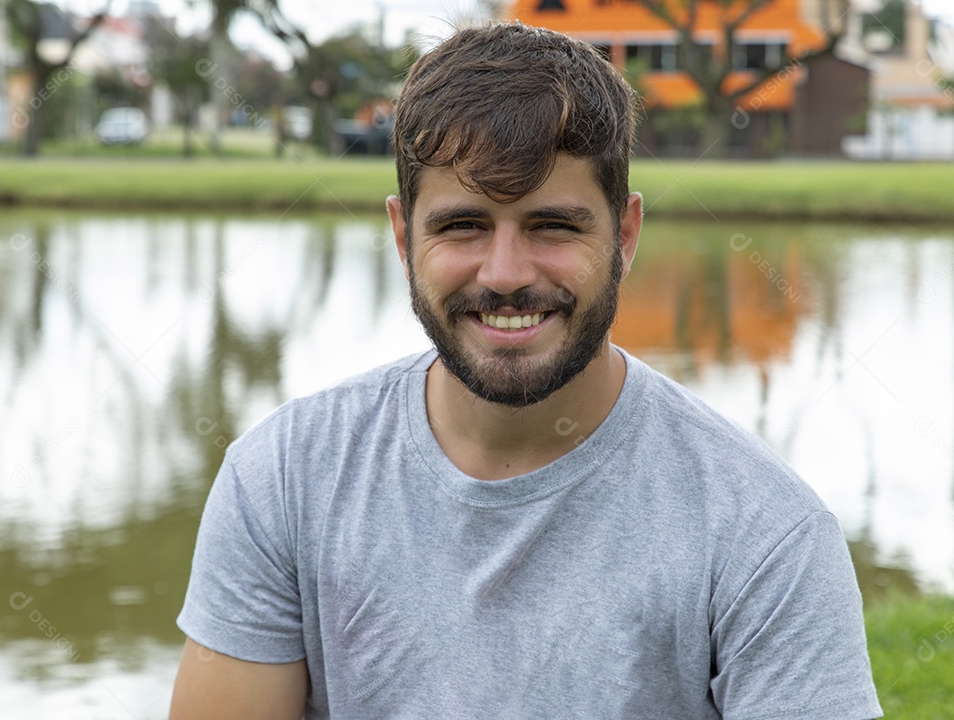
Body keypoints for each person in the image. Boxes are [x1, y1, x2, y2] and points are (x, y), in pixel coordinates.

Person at [169, 22, 883, 720]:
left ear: (625, 235)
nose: (505, 274)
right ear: (401, 235)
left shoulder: (765, 532)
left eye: (552, 225)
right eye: (463, 225)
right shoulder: (282, 480)